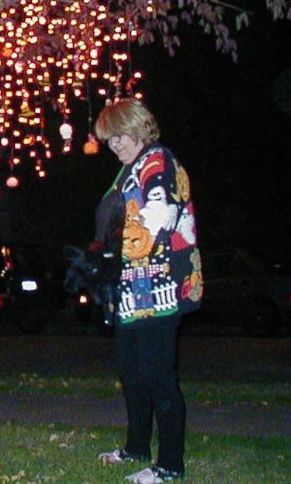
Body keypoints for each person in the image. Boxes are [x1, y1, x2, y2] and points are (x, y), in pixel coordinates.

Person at [93, 98, 203, 484]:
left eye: (119, 135)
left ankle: (170, 465)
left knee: (158, 376)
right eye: (109, 140)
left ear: (139, 127)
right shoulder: (130, 169)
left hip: (159, 289)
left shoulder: (158, 162)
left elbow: (161, 214)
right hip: (132, 289)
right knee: (131, 371)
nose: (115, 145)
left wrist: (118, 240)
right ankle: (137, 448)